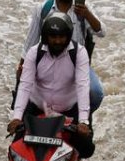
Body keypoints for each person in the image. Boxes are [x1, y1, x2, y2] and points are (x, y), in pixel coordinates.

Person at [20, 0, 106, 117]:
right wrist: (22, 65)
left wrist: (87, 15)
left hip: (76, 62)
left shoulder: (82, 10)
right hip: (48, 59)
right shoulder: (43, 9)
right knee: (26, 89)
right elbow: (31, 41)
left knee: (95, 92)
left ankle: (84, 119)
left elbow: (101, 32)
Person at [8, 14, 92, 144]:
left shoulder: (79, 53)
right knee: (16, 147)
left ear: (68, 36)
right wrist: (17, 118)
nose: (57, 41)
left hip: (69, 110)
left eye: (61, 37)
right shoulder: (34, 53)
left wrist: (83, 121)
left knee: (87, 148)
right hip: (37, 109)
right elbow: (25, 85)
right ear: (46, 37)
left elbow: (82, 86)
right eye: (53, 37)